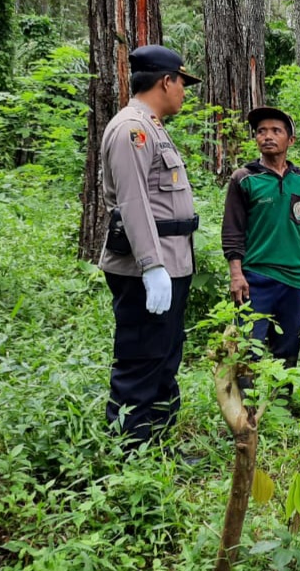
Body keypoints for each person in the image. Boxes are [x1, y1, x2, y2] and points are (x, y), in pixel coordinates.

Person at [98, 44, 201, 450]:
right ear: (166, 80)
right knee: (141, 361)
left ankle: (158, 446)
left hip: (171, 264)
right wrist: (151, 266)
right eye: (182, 84)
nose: (184, 92)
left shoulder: (153, 127)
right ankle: (131, 454)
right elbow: (134, 201)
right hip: (148, 270)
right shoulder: (132, 129)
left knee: (164, 357)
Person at [221, 107, 300, 378]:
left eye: (276, 131)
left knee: (288, 347)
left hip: (296, 278)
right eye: (261, 131)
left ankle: (283, 404)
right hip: (256, 277)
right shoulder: (244, 179)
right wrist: (236, 273)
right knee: (249, 348)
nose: (267, 136)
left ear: (290, 140)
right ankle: (246, 411)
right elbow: (232, 230)